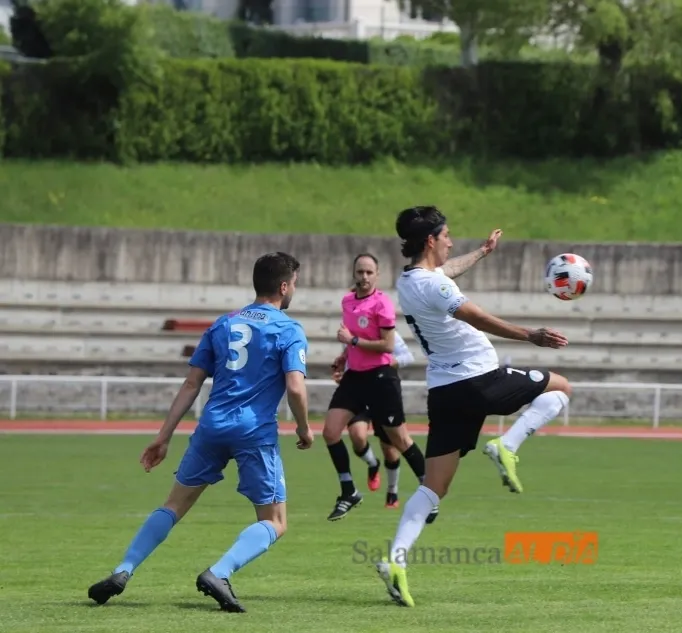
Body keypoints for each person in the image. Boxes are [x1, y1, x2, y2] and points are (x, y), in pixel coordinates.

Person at [86, 252, 313, 613]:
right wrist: (304, 428)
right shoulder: (288, 329)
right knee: (275, 521)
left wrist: (163, 436)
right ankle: (219, 572)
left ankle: (122, 570)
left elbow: (192, 383)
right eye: (295, 284)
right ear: (284, 286)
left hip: (211, 426)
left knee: (173, 505)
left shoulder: (223, 324)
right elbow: (296, 388)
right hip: (254, 431)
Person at [375, 206, 572, 607]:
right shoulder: (436, 288)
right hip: (479, 379)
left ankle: (395, 561)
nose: (451, 241)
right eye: (446, 235)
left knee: (434, 486)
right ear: (430, 240)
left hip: (444, 391)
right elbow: (476, 316)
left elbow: (445, 273)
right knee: (561, 387)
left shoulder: (410, 280)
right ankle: (507, 446)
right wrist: (529, 335)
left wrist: (482, 252)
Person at [322, 253, 428, 522]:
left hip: (381, 378)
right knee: (331, 432)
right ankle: (348, 491)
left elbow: (388, 346)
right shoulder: (347, 301)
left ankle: (430, 492)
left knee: (400, 441)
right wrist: (344, 356)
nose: (364, 277)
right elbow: (351, 341)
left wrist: (353, 341)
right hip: (355, 378)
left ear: (377, 275)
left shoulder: (382, 303)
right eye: (360, 272)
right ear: (354, 273)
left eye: (369, 272)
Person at [335, 320, 428, 512]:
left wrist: (381, 365)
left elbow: (407, 357)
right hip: (358, 391)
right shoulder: (348, 332)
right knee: (357, 436)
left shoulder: (385, 332)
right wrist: (341, 370)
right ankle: (372, 463)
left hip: (382, 390)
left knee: (390, 447)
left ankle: (393, 491)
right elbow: (350, 358)